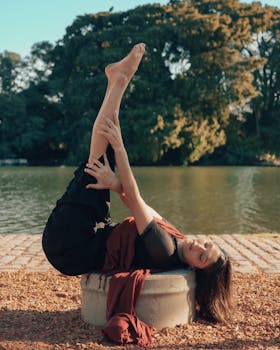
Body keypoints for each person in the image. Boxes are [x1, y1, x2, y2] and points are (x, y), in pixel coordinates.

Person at [42, 43, 232, 323]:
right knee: (99, 159)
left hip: (69, 245)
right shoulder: (175, 239)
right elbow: (137, 203)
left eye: (202, 257)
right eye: (207, 244)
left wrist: (121, 149)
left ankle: (118, 80)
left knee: (101, 153)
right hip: (91, 232)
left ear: (196, 269)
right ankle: (116, 79)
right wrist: (115, 182)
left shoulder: (164, 249)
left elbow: (134, 194)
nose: (200, 247)